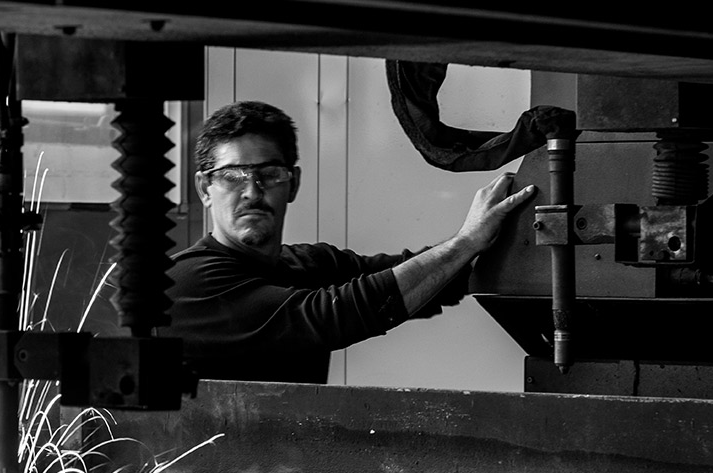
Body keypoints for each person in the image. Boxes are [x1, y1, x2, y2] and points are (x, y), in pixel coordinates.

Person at [160, 100, 536, 383]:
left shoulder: (308, 265)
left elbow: (429, 279)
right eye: (232, 176)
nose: (252, 191)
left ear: (293, 183)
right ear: (204, 189)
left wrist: (517, 228)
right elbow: (341, 311)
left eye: (269, 173)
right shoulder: (186, 283)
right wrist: (467, 241)